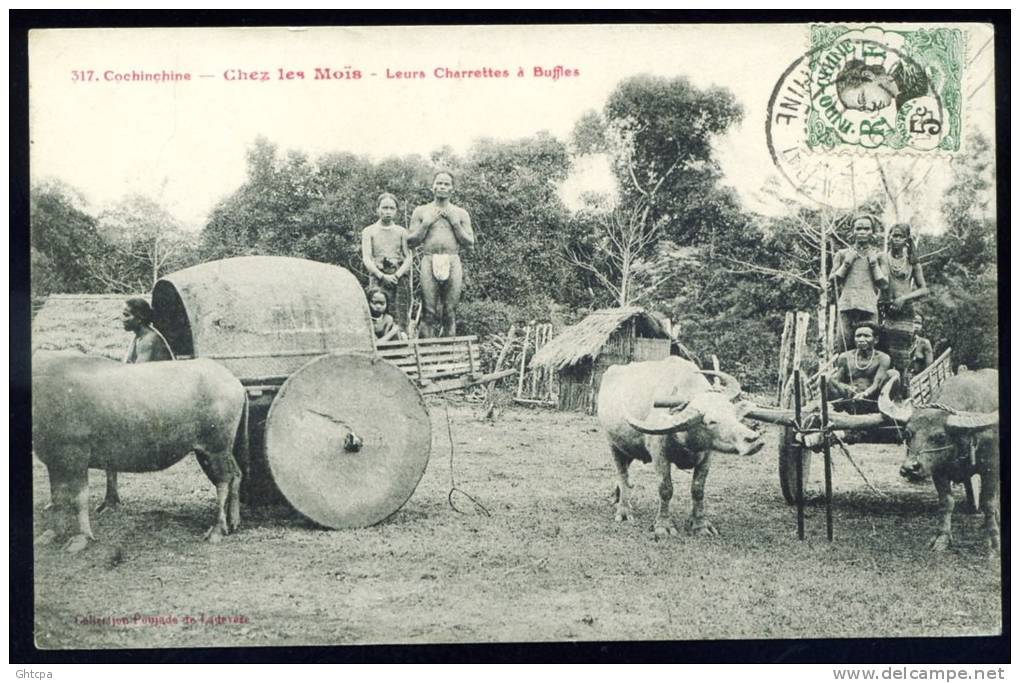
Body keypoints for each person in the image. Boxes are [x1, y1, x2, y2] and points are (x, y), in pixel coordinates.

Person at [104, 297, 174, 512]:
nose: (122, 318)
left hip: (159, 397)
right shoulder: (138, 337)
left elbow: (136, 375)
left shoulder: (150, 339)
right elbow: (125, 367)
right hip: (144, 393)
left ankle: (112, 493)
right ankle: (111, 494)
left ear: (140, 318)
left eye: (127, 315)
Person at [407, 171, 474, 338]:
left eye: (446, 184)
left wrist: (455, 224)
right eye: (439, 183)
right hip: (429, 259)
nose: (442, 187)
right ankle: (425, 359)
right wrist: (426, 224)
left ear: (452, 189)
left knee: (450, 311)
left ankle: (447, 358)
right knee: (428, 311)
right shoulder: (421, 211)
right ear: (433, 187)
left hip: (452, 259)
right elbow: (410, 241)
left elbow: (469, 243)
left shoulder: (460, 213)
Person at [880, 222, 929, 385]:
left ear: (907, 239)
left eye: (900, 236)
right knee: (882, 352)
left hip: (904, 312)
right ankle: (881, 392)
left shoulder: (912, 261)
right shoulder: (883, 258)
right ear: (889, 237)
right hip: (884, 309)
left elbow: (924, 289)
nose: (896, 239)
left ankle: (902, 391)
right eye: (893, 235)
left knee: (901, 356)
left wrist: (904, 298)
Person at [830, 215, 888, 352]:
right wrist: (846, 264)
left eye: (867, 229)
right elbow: (832, 281)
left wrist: (873, 264)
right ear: (852, 231)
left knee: (869, 348)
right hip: (847, 307)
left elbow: (884, 284)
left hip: (868, 307)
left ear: (872, 232)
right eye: (859, 228)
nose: (862, 232)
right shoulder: (842, 254)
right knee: (843, 347)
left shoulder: (879, 256)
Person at [361, 193, 412, 333]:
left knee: (400, 314)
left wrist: (397, 274)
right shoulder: (369, 231)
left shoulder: (402, 231)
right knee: (377, 312)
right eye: (384, 208)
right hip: (378, 278)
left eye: (391, 208)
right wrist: (381, 275)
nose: (388, 211)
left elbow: (408, 257)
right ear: (377, 209)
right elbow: (367, 258)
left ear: (396, 210)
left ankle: (401, 347)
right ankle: (380, 346)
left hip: (398, 279)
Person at [828, 323, 891, 413]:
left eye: (866, 336)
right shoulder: (845, 357)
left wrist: (865, 393)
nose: (861, 339)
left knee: (893, 374)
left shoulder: (883, 358)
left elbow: (877, 383)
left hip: (871, 399)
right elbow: (837, 380)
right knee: (827, 378)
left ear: (875, 340)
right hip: (848, 398)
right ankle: (837, 410)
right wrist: (847, 388)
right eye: (858, 336)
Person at [834, 58, 930, 113]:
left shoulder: (911, 63)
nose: (871, 108)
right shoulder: (904, 109)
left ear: (868, 76)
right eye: (863, 108)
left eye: (863, 98)